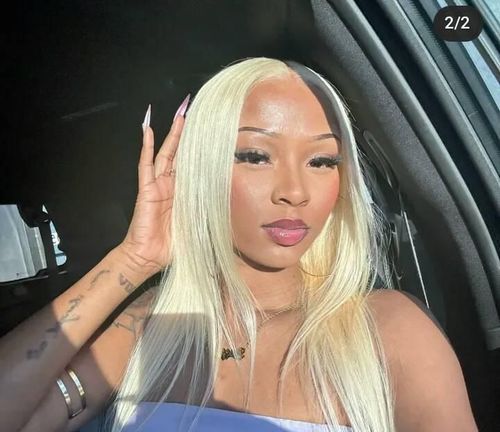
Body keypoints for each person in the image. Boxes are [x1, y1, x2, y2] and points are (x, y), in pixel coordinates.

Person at [0, 57, 478, 432]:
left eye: (321, 161)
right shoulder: (153, 325)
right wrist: (134, 259)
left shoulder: (388, 331)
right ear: (204, 168)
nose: (294, 191)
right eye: (256, 155)